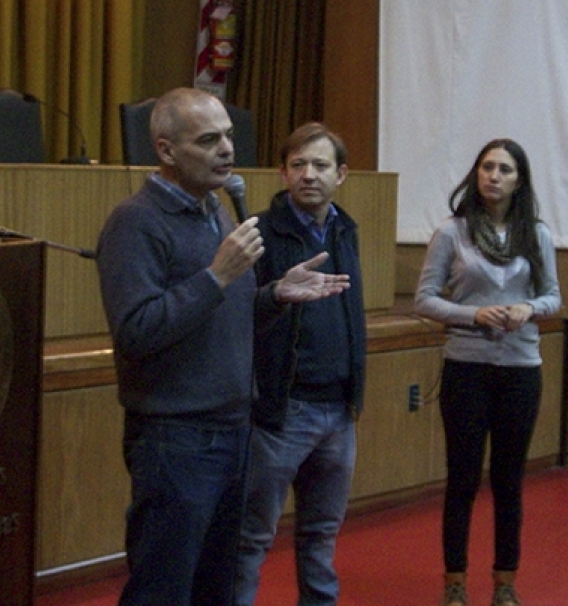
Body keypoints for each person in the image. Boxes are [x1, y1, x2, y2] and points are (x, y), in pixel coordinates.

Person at [95, 88, 351, 606]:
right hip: (176, 439)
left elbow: (217, 320)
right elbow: (136, 331)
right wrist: (216, 277)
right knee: (163, 589)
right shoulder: (136, 222)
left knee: (217, 587)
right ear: (167, 151)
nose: (227, 150)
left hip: (235, 430)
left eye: (229, 135)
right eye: (209, 140)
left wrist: (273, 296)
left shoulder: (218, 211)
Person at [413, 138, 561, 606]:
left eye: (504, 169)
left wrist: (527, 308)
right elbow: (425, 299)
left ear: (520, 180)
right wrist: (472, 315)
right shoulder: (452, 232)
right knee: (462, 480)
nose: (493, 176)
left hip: (520, 369)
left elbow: (554, 297)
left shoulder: (536, 235)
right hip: (467, 368)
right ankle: (455, 581)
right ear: (476, 174)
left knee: (508, 480)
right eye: (486, 167)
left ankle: (504, 583)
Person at [235, 123, 366, 606]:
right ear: (282, 172)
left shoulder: (344, 228)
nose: (309, 175)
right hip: (280, 413)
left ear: (342, 174)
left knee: (321, 540)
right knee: (250, 541)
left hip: (338, 413)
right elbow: (233, 316)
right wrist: (275, 295)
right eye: (298, 165)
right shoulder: (259, 233)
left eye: (320, 165)